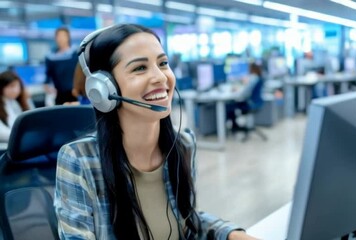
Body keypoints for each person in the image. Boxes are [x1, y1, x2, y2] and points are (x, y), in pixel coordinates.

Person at [54, 23, 257, 240]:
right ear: (104, 89)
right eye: (140, 68)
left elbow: (187, 220)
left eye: (163, 63)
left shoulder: (183, 144)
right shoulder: (79, 160)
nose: (161, 77)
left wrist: (233, 235)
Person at [44, 26, 78, 105]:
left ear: (68, 38)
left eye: (63, 36)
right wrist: (47, 86)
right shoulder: (50, 57)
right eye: (58, 36)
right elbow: (48, 76)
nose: (61, 38)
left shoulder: (75, 54)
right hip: (59, 94)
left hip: (74, 93)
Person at [226, 62, 264, 132]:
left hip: (251, 103)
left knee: (228, 107)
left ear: (252, 69)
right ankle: (235, 126)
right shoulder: (257, 77)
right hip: (256, 102)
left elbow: (245, 93)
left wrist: (237, 96)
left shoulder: (253, 78)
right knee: (231, 106)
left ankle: (234, 128)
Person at [0, 70, 32, 143]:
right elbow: (1, 132)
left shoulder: (16, 102)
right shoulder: (4, 104)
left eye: (18, 86)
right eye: (11, 86)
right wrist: (23, 137)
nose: (15, 90)